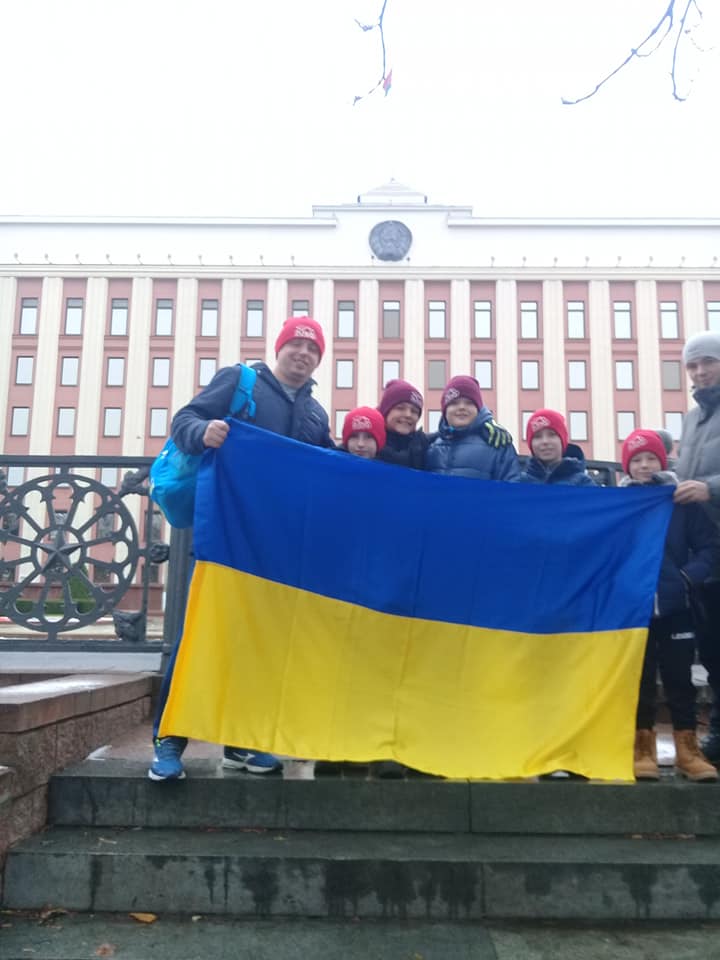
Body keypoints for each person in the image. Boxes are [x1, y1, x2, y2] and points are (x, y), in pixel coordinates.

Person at [149, 317, 333, 781]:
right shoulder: (240, 381)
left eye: (312, 348)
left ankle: (241, 743)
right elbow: (184, 420)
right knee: (201, 635)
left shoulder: (315, 415)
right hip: (224, 535)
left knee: (259, 643)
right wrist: (203, 431)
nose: (303, 353)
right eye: (295, 344)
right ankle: (169, 739)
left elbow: (332, 469)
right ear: (279, 348)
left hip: (276, 547)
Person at [621, 429, 719, 782]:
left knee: (680, 680)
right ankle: (642, 747)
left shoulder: (681, 503)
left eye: (651, 458)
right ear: (627, 466)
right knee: (641, 679)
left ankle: (687, 751)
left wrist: (687, 578)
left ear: (662, 461)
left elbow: (710, 547)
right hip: (635, 610)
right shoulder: (619, 506)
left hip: (677, 607)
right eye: (636, 460)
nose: (644, 465)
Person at [674, 331, 720, 764]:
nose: (701, 371)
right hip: (704, 552)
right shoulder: (690, 420)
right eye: (693, 365)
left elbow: (703, 483)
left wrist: (710, 489)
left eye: (708, 362)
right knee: (711, 647)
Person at [425, 376, 520, 480]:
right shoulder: (430, 446)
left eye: (469, 403)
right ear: (445, 410)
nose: (462, 407)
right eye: (454, 403)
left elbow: (511, 484)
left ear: (478, 409)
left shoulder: (498, 443)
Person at [520, 409, 595, 486]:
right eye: (537, 436)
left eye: (552, 435)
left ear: (562, 440)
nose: (545, 441)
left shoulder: (583, 483)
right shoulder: (520, 483)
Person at [376, 379, 428, 469]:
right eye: (400, 408)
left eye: (414, 411)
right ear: (385, 411)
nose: (408, 415)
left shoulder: (425, 448)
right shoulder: (366, 443)